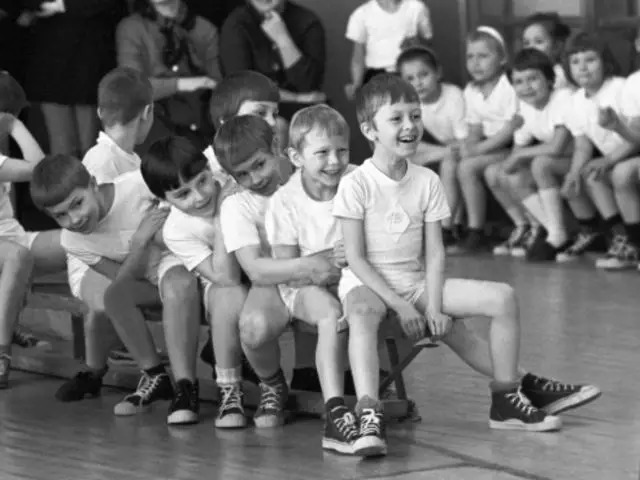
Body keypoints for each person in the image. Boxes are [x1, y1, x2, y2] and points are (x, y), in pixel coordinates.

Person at [333, 73, 601, 455]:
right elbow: (356, 260)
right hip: (368, 285)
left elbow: (435, 252)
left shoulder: (428, 180)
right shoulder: (356, 183)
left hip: (415, 283)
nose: (409, 125)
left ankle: (506, 400)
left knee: (502, 297)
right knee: (361, 311)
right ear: (369, 129)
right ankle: (368, 412)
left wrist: (434, 307)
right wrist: (400, 305)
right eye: (396, 118)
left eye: (415, 116)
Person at [214, 115, 342, 427]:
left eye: (259, 165)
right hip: (275, 280)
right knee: (252, 328)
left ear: (275, 146)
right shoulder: (236, 204)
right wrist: (308, 263)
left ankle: (368, 384)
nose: (255, 178)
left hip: (327, 270)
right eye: (242, 174)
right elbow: (256, 270)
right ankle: (271, 384)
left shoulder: (308, 172)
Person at [265, 104, 360, 453]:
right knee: (330, 314)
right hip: (303, 285)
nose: (334, 161)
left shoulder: (359, 180)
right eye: (322, 153)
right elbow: (288, 267)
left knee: (385, 299)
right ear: (296, 157)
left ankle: (371, 390)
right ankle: (335, 411)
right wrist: (326, 260)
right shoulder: (285, 200)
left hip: (353, 276)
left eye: (342, 151)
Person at [140, 136, 248, 428]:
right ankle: (208, 389)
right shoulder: (176, 229)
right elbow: (225, 277)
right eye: (183, 194)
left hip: (250, 266)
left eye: (202, 181)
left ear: (210, 169)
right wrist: (223, 215)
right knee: (223, 295)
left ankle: (247, 381)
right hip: (218, 270)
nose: (199, 197)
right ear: (165, 200)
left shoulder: (232, 180)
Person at [0, 71, 66, 388]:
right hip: (10, 250)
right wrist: (15, 126)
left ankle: (112, 341)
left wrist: (12, 124)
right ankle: (1, 350)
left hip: (13, 240)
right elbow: (42, 171)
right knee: (17, 256)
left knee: (81, 240)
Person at [488, 49, 575, 260]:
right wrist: (508, 166)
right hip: (559, 160)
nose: (526, 87)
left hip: (580, 157)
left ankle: (557, 233)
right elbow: (517, 151)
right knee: (500, 173)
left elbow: (558, 146)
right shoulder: (525, 108)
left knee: (540, 164)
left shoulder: (563, 98)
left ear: (550, 79)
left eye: (533, 79)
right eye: (518, 82)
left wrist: (518, 157)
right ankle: (545, 229)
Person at [560, 31, 634, 265]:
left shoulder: (621, 88)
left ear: (605, 62)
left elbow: (636, 137)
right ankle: (621, 238)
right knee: (589, 174)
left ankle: (633, 241)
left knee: (617, 172)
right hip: (614, 158)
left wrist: (609, 160)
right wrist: (573, 173)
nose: (582, 68)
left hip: (632, 151)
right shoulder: (574, 101)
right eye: (575, 62)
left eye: (590, 60)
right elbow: (582, 145)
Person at [21, 0, 126, 157]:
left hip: (91, 59)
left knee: (92, 144)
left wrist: (61, 6)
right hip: (50, 61)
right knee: (61, 145)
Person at [117, 0, 222, 151]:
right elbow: (132, 87)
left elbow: (219, 85)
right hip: (157, 133)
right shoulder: (132, 28)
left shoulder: (204, 28)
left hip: (202, 127)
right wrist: (180, 84)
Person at [396, 39, 467, 246]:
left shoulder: (453, 96)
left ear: (438, 73)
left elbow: (463, 143)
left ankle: (446, 227)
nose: (418, 83)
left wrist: (446, 152)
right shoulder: (407, 104)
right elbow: (406, 146)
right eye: (410, 78)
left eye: (424, 75)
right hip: (443, 149)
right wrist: (444, 151)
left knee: (450, 164)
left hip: (464, 148)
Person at [456, 26, 520, 253]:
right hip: (491, 146)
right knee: (459, 162)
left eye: (483, 56)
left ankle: (476, 230)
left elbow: (511, 129)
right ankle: (459, 225)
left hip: (512, 146)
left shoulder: (509, 86)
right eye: (470, 57)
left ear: (502, 59)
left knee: (468, 166)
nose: (475, 63)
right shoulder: (471, 90)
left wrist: (477, 150)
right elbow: (475, 127)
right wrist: (470, 145)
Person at [220, 0, 327, 120]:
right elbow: (243, 88)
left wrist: (282, 39)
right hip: (255, 109)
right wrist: (296, 98)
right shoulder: (236, 25)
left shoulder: (308, 22)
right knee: (277, 125)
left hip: (303, 112)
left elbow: (308, 86)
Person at [344, 0, 432, 101]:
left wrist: (416, 43)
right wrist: (356, 84)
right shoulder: (361, 14)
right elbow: (358, 56)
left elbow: (428, 45)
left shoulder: (416, 8)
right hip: (377, 78)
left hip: (410, 73)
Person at [521, 12, 572, 90]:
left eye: (538, 42)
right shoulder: (521, 73)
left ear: (557, 46)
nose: (531, 47)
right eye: (526, 43)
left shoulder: (560, 76)